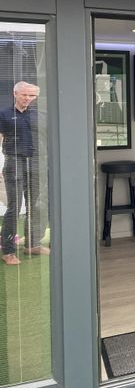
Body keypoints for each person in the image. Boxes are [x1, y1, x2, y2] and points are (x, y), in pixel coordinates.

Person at [0, 81, 48, 265]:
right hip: (14, 162)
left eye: (32, 96)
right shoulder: (4, 114)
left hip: (36, 163)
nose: (27, 99)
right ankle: (8, 251)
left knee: (36, 205)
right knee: (14, 207)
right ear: (15, 94)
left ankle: (33, 244)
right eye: (24, 95)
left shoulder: (40, 116)